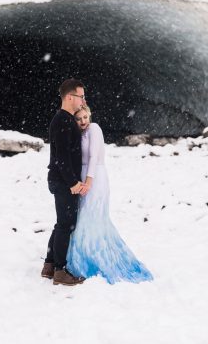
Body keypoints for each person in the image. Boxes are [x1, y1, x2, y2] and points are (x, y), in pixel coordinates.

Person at [66, 106, 153, 284]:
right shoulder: (79, 133)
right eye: (78, 119)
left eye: (85, 117)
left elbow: (93, 157)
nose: (83, 121)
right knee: (82, 219)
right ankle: (82, 257)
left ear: (90, 114)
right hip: (82, 177)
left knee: (92, 218)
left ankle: (96, 259)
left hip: (95, 177)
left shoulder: (94, 129)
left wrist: (89, 180)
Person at [41, 78, 89, 286]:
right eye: (81, 96)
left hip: (61, 180)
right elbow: (61, 157)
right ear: (70, 97)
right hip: (63, 182)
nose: (83, 100)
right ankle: (60, 270)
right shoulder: (62, 120)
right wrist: (73, 183)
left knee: (62, 223)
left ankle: (49, 265)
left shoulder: (66, 119)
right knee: (66, 226)